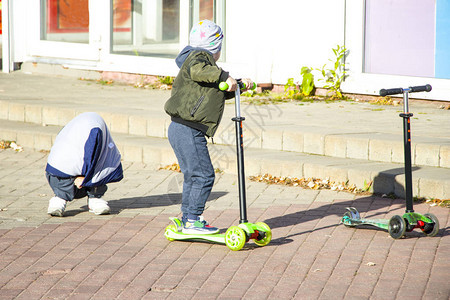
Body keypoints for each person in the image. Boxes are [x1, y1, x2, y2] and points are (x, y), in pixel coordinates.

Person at [164, 20, 253, 234]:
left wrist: (237, 85)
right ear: (215, 47)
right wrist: (224, 76)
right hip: (188, 129)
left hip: (182, 128)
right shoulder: (198, 58)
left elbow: (215, 90)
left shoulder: (202, 65)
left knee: (193, 175)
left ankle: (188, 217)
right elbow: (200, 71)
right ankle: (192, 220)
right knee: (204, 175)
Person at [45, 112, 123, 217]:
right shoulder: (88, 134)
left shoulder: (91, 131)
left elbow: (93, 155)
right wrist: (84, 177)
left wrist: (85, 177)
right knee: (98, 165)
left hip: (66, 172)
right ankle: (59, 199)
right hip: (60, 173)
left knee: (101, 162)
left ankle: (94, 198)